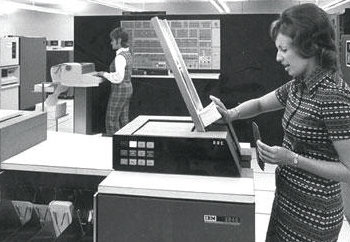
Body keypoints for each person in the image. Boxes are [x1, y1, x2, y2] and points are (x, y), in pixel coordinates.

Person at [210, 3, 350, 242]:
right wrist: (231, 114)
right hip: (286, 202)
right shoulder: (299, 85)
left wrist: (291, 159)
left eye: (284, 49)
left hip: (313, 217)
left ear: (310, 47)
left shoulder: (333, 95)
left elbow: (348, 170)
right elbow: (261, 104)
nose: (278, 57)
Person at [95, 27, 133, 136]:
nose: (111, 43)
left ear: (119, 40)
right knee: (124, 118)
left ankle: (113, 144)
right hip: (128, 89)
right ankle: (125, 142)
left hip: (120, 90)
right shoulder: (128, 53)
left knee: (111, 119)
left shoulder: (120, 57)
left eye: (112, 40)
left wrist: (104, 74)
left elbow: (118, 77)